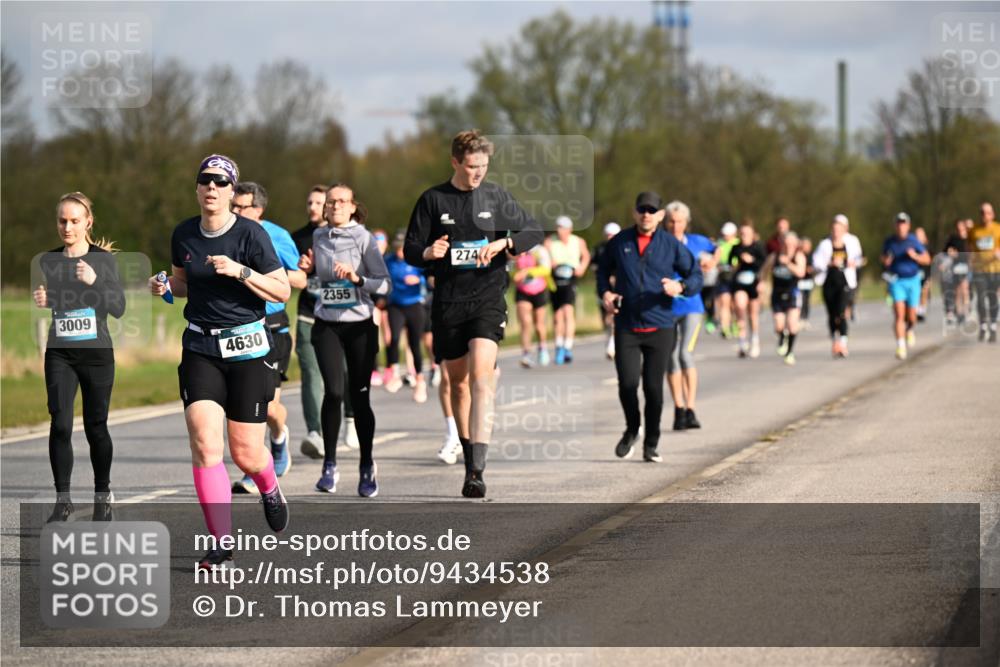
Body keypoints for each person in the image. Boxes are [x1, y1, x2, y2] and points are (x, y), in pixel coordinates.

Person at [149, 155, 290, 569]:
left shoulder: (251, 235)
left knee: (246, 453)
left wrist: (241, 271)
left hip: (248, 351)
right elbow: (183, 282)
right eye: (204, 181)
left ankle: (269, 485)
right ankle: (221, 544)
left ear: (232, 190)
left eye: (220, 182)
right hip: (201, 349)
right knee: (206, 444)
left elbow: (281, 291)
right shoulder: (184, 234)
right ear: (197, 188)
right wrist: (164, 286)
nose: (211, 188)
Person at [404, 129, 544, 497]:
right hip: (449, 302)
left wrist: (506, 241)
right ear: (455, 162)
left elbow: (533, 229)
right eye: (471, 166)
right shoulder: (433, 200)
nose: (478, 173)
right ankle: (468, 459)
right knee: (458, 382)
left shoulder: (496, 195)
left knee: (483, 374)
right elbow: (410, 249)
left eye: (483, 165)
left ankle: (477, 469)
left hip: (487, 297)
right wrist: (428, 253)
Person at [35, 192, 125, 523]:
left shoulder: (103, 261)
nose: (67, 227)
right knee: (59, 424)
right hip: (60, 353)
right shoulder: (48, 260)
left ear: (88, 222)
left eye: (74, 221)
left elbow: (118, 308)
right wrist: (46, 298)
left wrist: (94, 280)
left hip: (96, 355)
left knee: (96, 427)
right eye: (62, 221)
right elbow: (60, 301)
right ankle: (63, 501)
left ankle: (103, 496)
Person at [298, 183, 390, 496]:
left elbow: (384, 286)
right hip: (326, 325)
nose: (335, 206)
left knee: (359, 397)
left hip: (360, 326)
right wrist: (308, 270)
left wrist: (356, 278)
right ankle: (330, 465)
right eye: (331, 202)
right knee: (334, 391)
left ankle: (366, 465)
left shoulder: (364, 238)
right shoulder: (319, 236)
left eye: (342, 201)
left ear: (352, 207)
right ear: (325, 209)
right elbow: (318, 280)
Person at [598, 191, 703, 463]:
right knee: (628, 384)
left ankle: (652, 443)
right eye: (641, 209)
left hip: (660, 326)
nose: (646, 214)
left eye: (651, 210)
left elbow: (695, 275)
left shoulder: (670, 244)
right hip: (627, 326)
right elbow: (601, 272)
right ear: (634, 213)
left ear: (659, 215)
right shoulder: (620, 242)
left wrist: (680, 286)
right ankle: (633, 428)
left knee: (654, 389)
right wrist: (605, 294)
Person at [229, 182, 307, 493]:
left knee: (269, 406)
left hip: (273, 327)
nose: (234, 211)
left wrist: (258, 273)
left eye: (241, 207)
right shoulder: (223, 233)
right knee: (243, 402)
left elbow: (300, 278)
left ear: (258, 209)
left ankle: (279, 438)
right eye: (233, 206)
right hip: (238, 325)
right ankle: (253, 467)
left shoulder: (277, 235)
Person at [663, 200, 713, 431]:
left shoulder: (696, 242)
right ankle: (679, 408)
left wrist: (711, 261)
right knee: (670, 357)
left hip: (692, 307)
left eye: (680, 221)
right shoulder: (660, 244)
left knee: (685, 353)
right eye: (671, 221)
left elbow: (717, 248)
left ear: (686, 223)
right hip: (666, 308)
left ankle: (691, 408)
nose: (675, 226)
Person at [384, 231, 429, 402]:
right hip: (395, 305)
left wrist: (419, 281)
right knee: (394, 338)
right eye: (397, 248)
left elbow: (428, 276)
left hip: (414, 305)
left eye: (402, 249)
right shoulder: (389, 260)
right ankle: (394, 373)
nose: (399, 252)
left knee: (414, 343)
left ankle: (419, 380)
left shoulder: (417, 261)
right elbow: (381, 275)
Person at [881, 212, 931, 359]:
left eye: (903, 223)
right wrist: (886, 260)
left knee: (912, 316)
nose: (900, 226)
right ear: (895, 225)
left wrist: (915, 256)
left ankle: (909, 329)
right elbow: (883, 257)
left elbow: (927, 259)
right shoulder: (889, 241)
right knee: (899, 314)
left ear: (908, 226)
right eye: (898, 223)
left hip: (913, 280)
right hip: (897, 281)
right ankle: (901, 346)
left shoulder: (913, 240)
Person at [813, 214, 863, 358]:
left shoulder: (852, 242)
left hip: (845, 282)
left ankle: (843, 342)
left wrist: (852, 263)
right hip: (829, 282)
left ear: (844, 230)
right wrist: (830, 263)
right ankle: (835, 340)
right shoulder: (824, 244)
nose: (836, 233)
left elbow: (859, 259)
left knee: (841, 313)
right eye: (834, 229)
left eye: (839, 229)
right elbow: (816, 263)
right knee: (831, 314)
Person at [545, 216, 590, 364]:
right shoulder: (550, 241)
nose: (560, 230)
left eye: (563, 227)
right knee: (558, 315)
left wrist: (582, 268)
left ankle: (567, 347)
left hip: (571, 277)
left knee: (568, 311)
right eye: (558, 227)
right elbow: (543, 258)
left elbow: (586, 256)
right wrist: (549, 262)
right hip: (555, 278)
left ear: (569, 229)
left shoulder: (578, 241)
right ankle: (558, 346)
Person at [768, 232, 807, 365]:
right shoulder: (775, 256)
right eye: (786, 242)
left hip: (793, 293)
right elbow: (764, 270)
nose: (788, 245)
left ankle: (790, 352)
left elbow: (801, 273)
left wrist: (789, 264)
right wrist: (761, 282)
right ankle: (782, 337)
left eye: (791, 243)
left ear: (796, 244)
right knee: (779, 326)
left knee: (792, 325)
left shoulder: (799, 256)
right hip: (777, 294)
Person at [512, 243, 553, 367]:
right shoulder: (515, 249)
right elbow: (510, 270)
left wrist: (527, 272)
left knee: (539, 325)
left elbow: (546, 269)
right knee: (525, 322)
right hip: (522, 291)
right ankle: (526, 354)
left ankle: (542, 347)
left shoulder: (539, 250)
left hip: (539, 290)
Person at [729, 220, 766, 358]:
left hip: (754, 283)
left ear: (752, 234)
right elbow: (730, 263)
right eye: (742, 233)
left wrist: (752, 261)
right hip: (739, 282)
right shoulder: (736, 248)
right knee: (739, 307)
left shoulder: (757, 247)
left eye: (746, 233)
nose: (744, 235)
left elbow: (764, 264)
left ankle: (754, 340)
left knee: (753, 314)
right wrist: (736, 264)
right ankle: (742, 342)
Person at [968, 201, 1000, 342]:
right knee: (980, 298)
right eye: (982, 212)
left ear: (992, 214)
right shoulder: (974, 231)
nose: (984, 215)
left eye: (987, 212)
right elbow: (969, 247)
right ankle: (982, 325)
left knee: (992, 298)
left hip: (995, 269)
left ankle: (992, 326)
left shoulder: (998, 229)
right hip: (979, 270)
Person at [590, 222, 621, 359]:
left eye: (613, 235)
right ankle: (609, 338)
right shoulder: (600, 249)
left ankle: (613, 344)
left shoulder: (622, 248)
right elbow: (593, 266)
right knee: (605, 319)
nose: (610, 238)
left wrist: (615, 277)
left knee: (614, 317)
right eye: (608, 235)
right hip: (603, 289)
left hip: (618, 288)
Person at [941, 218, 971, 326]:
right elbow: (945, 251)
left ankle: (966, 311)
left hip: (968, 266)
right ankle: (959, 312)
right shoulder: (953, 239)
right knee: (958, 290)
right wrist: (950, 253)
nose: (960, 228)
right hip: (956, 267)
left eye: (961, 226)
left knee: (965, 289)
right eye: (958, 227)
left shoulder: (970, 237)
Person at [713, 221, 739, 338]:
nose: (726, 236)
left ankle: (734, 323)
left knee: (734, 304)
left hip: (736, 277)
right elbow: (715, 259)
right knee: (725, 302)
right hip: (724, 277)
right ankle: (725, 327)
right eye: (724, 234)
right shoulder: (719, 244)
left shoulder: (738, 243)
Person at [913, 226, 933, 322]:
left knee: (924, 291)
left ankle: (922, 311)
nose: (918, 237)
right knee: (916, 291)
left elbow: (931, 260)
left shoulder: (928, 247)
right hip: (915, 272)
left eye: (920, 235)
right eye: (916, 235)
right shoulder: (912, 247)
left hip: (926, 272)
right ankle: (916, 310)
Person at [798, 237, 816, 329]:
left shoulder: (813, 255)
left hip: (808, 281)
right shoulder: (799, 255)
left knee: (806, 301)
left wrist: (811, 270)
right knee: (800, 300)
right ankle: (799, 319)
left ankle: (805, 319)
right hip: (800, 281)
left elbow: (816, 266)